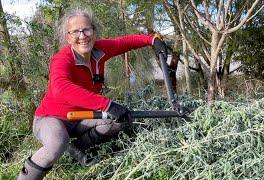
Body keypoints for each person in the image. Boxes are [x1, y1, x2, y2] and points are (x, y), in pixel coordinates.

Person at [17, 6, 167, 180]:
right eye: (75, 32)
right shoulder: (62, 59)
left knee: (117, 120)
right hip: (51, 118)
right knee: (58, 142)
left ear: (94, 32)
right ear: (68, 37)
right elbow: (61, 88)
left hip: (80, 116)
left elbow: (125, 42)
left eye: (87, 29)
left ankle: (78, 149)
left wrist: (152, 40)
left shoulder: (100, 50)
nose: (82, 36)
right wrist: (107, 105)